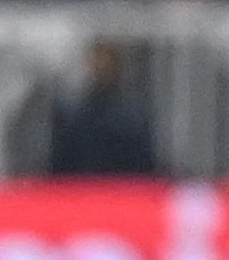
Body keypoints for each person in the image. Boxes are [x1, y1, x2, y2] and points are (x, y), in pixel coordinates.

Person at [43, 38, 162, 179]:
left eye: (106, 60)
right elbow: (60, 164)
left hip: (122, 191)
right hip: (80, 190)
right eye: (97, 60)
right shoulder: (73, 117)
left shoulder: (132, 117)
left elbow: (143, 165)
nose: (101, 66)